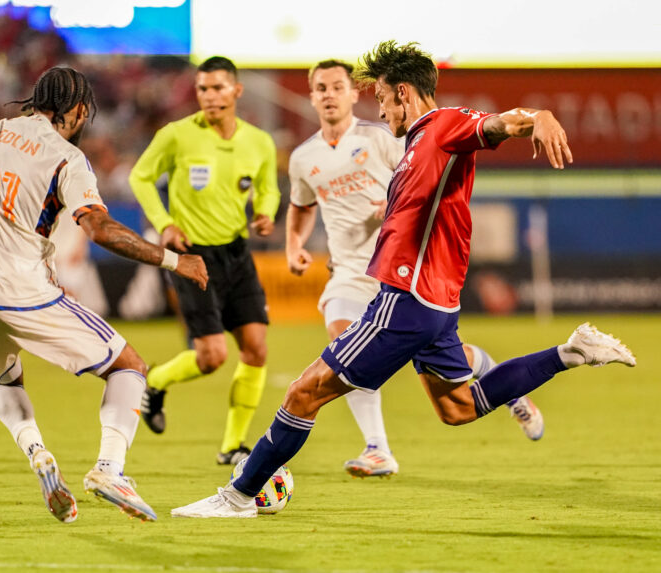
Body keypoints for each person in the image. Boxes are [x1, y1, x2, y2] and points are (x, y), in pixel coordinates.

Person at [170, 41, 636, 518]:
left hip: (406, 299)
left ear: (404, 94)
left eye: (384, 100)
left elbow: (498, 124)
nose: (382, 110)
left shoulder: (443, 126)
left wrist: (539, 116)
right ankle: (572, 351)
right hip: (434, 304)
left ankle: (238, 497)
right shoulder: (417, 143)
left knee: (303, 392)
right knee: (458, 408)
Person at [0, 66, 208, 523]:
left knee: (5, 380)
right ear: (80, 109)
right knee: (128, 366)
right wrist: (173, 261)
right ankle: (110, 469)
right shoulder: (65, 157)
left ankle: (39, 455)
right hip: (21, 291)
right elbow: (100, 229)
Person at [286, 59, 546, 479]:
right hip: (350, 272)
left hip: (406, 271)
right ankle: (377, 449)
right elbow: (300, 207)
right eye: (320, 88)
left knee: (449, 369)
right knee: (341, 335)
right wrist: (294, 244)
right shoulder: (303, 158)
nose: (329, 94)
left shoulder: (384, 137)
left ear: (354, 94)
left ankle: (501, 381)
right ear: (312, 96)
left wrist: (387, 207)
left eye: (337, 86)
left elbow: (425, 176)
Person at [129, 56, 281, 464]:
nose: (210, 96)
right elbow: (139, 177)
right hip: (190, 256)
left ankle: (233, 446)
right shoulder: (177, 135)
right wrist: (163, 224)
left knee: (256, 349)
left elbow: (268, 187)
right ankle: (155, 381)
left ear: (236, 90)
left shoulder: (259, 141)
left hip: (236, 251)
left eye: (217, 87)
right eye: (203, 88)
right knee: (212, 357)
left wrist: (265, 211)